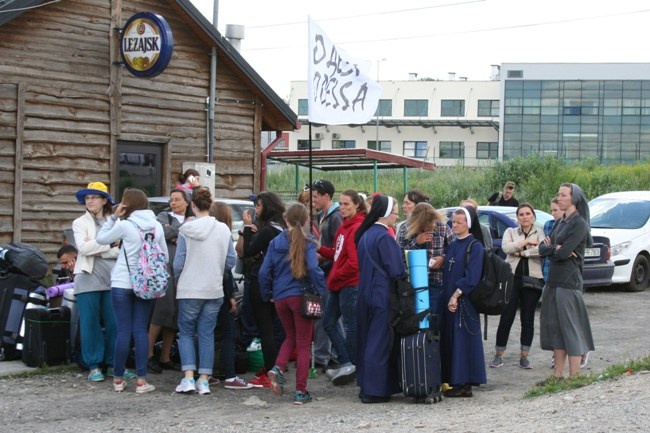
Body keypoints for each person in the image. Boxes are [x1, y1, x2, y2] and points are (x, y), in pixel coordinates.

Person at [96, 188, 167, 394]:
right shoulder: (157, 227)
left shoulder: (126, 225)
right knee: (140, 331)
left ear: (126, 205)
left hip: (122, 282)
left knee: (123, 330)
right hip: (145, 283)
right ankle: (142, 381)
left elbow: (101, 240)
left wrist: (113, 219)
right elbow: (165, 257)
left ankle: (118, 379)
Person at [259, 203, 327, 405]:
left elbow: (264, 272)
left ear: (285, 219)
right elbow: (314, 270)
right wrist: (322, 290)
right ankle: (300, 392)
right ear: (306, 220)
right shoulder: (308, 242)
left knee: (290, 337)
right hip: (301, 296)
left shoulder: (274, 243)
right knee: (304, 343)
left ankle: (277, 368)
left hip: (280, 297)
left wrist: (268, 294)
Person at [173, 187, 235, 395]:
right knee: (206, 333)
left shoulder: (185, 230)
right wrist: (216, 269)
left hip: (189, 288)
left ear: (192, 205)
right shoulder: (224, 230)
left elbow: (178, 263)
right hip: (214, 288)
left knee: (187, 332)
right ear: (211, 205)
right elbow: (231, 261)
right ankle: (204, 380)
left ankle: (188, 377)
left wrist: (180, 279)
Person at [538, 183, 595, 382]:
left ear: (574, 199)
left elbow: (562, 252)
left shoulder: (579, 224)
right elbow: (542, 248)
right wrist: (556, 248)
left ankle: (574, 378)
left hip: (568, 282)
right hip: (553, 281)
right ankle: (557, 376)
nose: (559, 198)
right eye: (559, 194)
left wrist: (554, 249)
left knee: (571, 328)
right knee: (555, 328)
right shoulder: (560, 222)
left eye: (563, 195)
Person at [355, 195, 405, 403]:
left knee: (366, 341)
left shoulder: (365, 234)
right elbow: (396, 270)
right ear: (385, 214)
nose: (397, 216)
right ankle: (375, 390)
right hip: (381, 294)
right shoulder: (384, 237)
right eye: (395, 212)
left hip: (364, 292)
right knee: (379, 342)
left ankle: (365, 384)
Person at [236, 191, 286, 387]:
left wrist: (246, 228)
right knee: (276, 329)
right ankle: (277, 367)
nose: (256, 209)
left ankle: (269, 372)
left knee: (265, 331)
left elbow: (247, 252)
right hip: (279, 282)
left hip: (261, 282)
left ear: (267, 207)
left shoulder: (267, 231)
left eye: (258, 206)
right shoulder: (282, 227)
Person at [72, 182, 120, 382]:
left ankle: (112, 363)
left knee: (114, 323)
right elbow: (83, 249)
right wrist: (108, 244)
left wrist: (99, 247)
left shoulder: (115, 221)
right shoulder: (79, 222)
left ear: (104, 200)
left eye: (94, 197)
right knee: (90, 324)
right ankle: (93, 365)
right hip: (87, 277)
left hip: (112, 279)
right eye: (87, 198)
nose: (89, 201)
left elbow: (120, 250)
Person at [317, 190, 366, 385]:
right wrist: (319, 248)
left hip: (349, 284)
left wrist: (336, 275)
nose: (343, 208)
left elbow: (354, 263)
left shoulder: (355, 228)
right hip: (340, 284)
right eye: (341, 204)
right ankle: (347, 362)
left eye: (347, 204)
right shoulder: (345, 226)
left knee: (349, 326)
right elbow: (338, 254)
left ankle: (352, 364)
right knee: (329, 322)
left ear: (357, 205)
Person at [489, 203, 546, 369]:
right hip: (512, 279)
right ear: (517, 217)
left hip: (532, 279)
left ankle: (524, 356)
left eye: (528, 213)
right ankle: (498, 355)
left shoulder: (540, 232)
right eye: (521, 214)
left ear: (533, 216)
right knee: (506, 317)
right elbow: (506, 248)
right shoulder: (510, 232)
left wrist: (522, 252)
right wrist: (527, 242)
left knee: (527, 319)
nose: (525, 217)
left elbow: (542, 250)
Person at [440, 207, 486, 397]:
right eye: (453, 221)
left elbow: (472, 277)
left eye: (458, 222)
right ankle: (454, 380)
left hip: (464, 301)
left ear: (468, 224)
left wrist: (456, 295)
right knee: (452, 341)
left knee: (463, 342)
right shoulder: (452, 245)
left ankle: (464, 383)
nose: (454, 225)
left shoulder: (475, 246)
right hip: (450, 300)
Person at [208, 201, 253, 390]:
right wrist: (231, 296)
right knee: (228, 333)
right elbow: (228, 266)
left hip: (201, 288)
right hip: (220, 289)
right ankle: (229, 375)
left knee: (204, 332)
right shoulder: (223, 233)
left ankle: (204, 371)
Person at [147, 188, 191, 374]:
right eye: (172, 199)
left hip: (184, 271)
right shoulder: (165, 216)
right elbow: (162, 234)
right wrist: (180, 230)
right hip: (165, 269)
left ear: (187, 202)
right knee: (161, 310)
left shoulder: (193, 219)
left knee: (174, 314)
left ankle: (165, 356)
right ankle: (148, 354)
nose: (173, 203)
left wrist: (176, 236)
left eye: (177, 200)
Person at [399, 202, 452, 331]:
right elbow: (399, 256)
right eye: (424, 224)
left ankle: (432, 346)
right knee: (415, 319)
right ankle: (418, 346)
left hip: (436, 281)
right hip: (412, 284)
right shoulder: (405, 228)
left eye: (431, 223)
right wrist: (416, 242)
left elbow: (453, 251)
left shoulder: (442, 227)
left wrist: (443, 258)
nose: (428, 227)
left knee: (434, 318)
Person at [311, 179, 343, 371]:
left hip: (331, 273)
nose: (313, 199)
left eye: (316, 196)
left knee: (331, 317)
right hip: (324, 272)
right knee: (324, 317)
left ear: (326, 196)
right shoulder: (324, 216)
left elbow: (338, 250)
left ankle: (337, 355)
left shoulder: (335, 217)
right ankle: (327, 354)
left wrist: (321, 256)